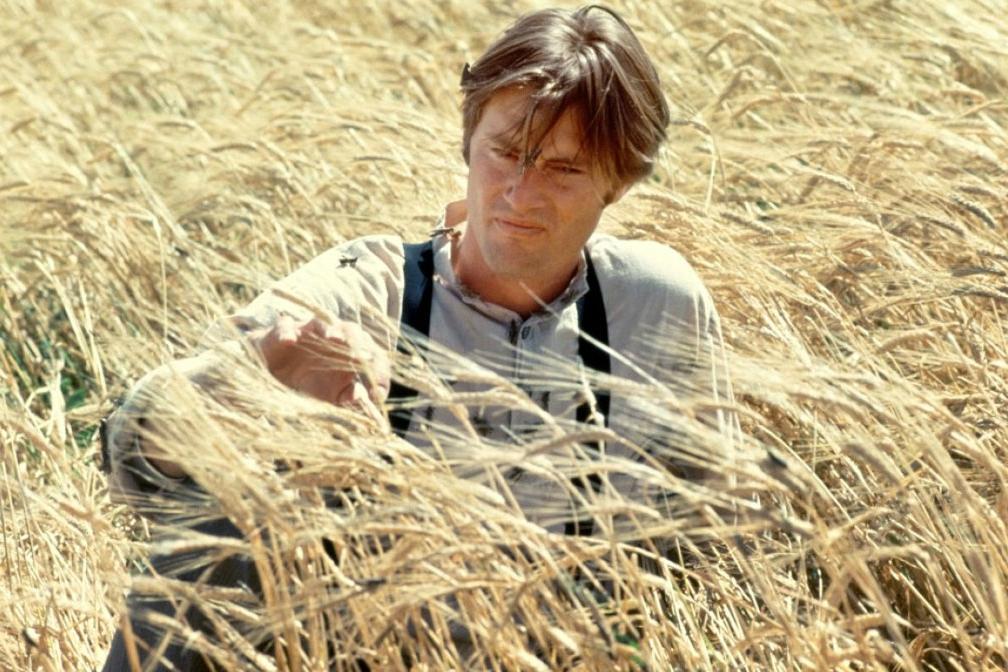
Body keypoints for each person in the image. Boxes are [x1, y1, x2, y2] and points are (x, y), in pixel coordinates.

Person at [100, 5, 737, 670]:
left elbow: (717, 539)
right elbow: (127, 458)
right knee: (215, 533)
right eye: (506, 153)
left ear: (620, 180)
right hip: (370, 654)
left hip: (571, 656)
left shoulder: (656, 305)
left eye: (563, 168)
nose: (521, 192)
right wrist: (239, 389)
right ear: (468, 144)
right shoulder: (365, 291)